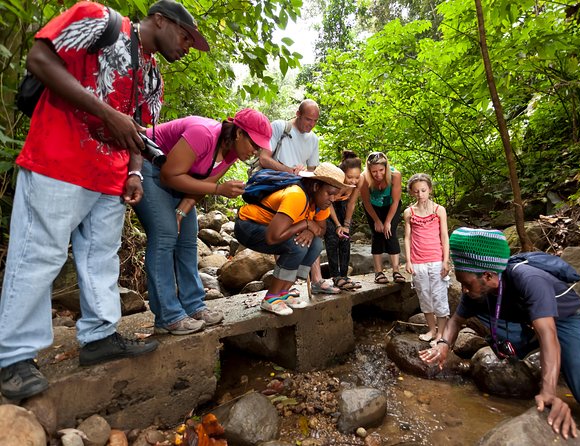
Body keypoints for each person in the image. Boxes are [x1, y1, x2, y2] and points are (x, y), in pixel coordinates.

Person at [0, 0, 209, 400]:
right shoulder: (98, 19)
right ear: (160, 20)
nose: (186, 47)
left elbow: (138, 129)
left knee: (101, 256)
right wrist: (107, 113)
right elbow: (40, 58)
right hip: (58, 158)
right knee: (39, 253)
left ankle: (99, 336)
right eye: (184, 36)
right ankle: (13, 358)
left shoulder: (153, 74)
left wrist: (133, 171)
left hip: (111, 175)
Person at [420, 227, 580, 440]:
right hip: (529, 320)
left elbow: (549, 335)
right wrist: (443, 345)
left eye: (467, 284)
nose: (463, 290)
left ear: (488, 275)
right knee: (509, 346)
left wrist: (549, 392)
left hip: (564, 319)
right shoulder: (479, 288)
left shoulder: (528, 279)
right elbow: (455, 320)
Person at [133, 109, 272, 335]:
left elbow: (202, 185)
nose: (255, 151)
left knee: (188, 239)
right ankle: (168, 316)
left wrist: (181, 213)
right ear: (238, 134)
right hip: (150, 169)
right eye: (254, 144)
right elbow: (169, 175)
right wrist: (220, 189)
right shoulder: (204, 133)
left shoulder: (231, 153)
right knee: (165, 236)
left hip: (180, 180)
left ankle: (194, 306)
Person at [234, 163, 350, 316]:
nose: (333, 199)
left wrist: (309, 230)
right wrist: (305, 224)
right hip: (248, 226)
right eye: (330, 193)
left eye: (336, 194)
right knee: (297, 246)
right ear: (316, 186)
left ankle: (283, 293)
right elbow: (272, 237)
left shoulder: (322, 204)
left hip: (273, 228)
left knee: (315, 244)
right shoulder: (296, 196)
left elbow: (320, 230)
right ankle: (271, 298)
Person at [255, 99, 339, 295]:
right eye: (308, 119)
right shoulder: (279, 127)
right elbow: (264, 159)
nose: (311, 124)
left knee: (313, 226)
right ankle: (285, 286)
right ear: (298, 114)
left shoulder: (313, 139)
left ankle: (316, 279)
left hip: (301, 187)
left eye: (315, 121)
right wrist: (289, 171)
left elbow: (312, 171)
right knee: (283, 232)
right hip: (277, 186)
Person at [343, 151, 405, 284]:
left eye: (381, 170)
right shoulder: (363, 178)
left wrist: (387, 221)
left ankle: (396, 271)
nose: (378, 174)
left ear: (386, 167)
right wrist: (377, 220)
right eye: (374, 171)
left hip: (391, 205)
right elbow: (366, 202)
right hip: (373, 206)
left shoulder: (395, 175)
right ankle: (378, 272)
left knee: (390, 233)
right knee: (377, 234)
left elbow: (395, 201)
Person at [403, 174, 450, 342]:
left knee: (439, 296)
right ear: (411, 193)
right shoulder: (409, 212)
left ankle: (441, 333)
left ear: (430, 189)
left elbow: (444, 236)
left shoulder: (439, 210)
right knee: (425, 296)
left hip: (437, 260)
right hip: (418, 262)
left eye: (423, 190)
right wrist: (408, 260)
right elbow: (407, 238)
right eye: (416, 191)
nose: (420, 194)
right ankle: (431, 329)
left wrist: (446, 260)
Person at [324, 151, 363, 291]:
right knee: (333, 239)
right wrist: (337, 225)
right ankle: (336, 277)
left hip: (344, 207)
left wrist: (346, 225)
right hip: (328, 207)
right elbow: (328, 203)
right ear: (342, 173)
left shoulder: (360, 180)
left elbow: (352, 203)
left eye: (356, 177)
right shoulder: (335, 180)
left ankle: (345, 276)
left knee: (345, 239)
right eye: (350, 177)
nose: (354, 180)